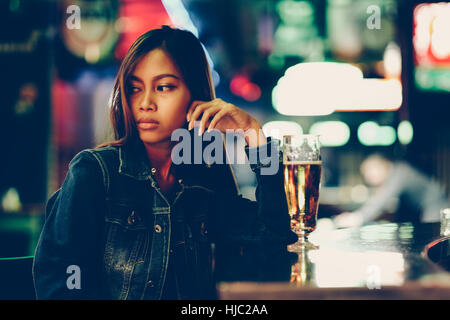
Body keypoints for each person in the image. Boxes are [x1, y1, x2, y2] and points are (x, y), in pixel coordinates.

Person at [32, 26, 296, 300]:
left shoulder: (204, 176)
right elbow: (60, 283)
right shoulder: (95, 172)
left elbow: (274, 235)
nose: (145, 103)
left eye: (164, 87)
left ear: (196, 95)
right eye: (135, 89)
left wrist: (254, 134)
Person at [334, 153, 449, 228]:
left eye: (369, 171)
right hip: (431, 206)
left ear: (382, 165)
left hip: (438, 206)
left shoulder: (400, 173)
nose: (368, 177)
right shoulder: (396, 171)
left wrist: (357, 218)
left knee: (432, 241)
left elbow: (381, 200)